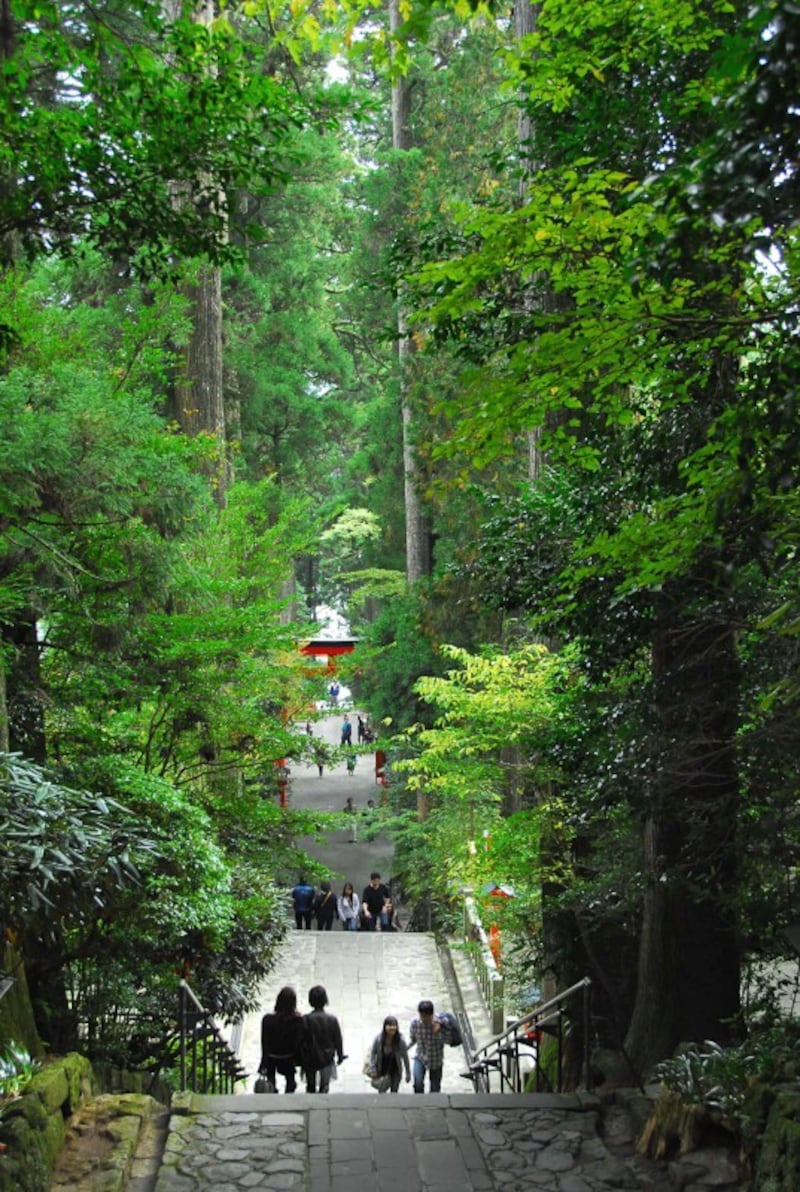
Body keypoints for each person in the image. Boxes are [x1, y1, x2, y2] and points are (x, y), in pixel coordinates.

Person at [260, 986, 306, 1093]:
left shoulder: (267, 1020)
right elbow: (299, 1042)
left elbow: (264, 1043)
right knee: (290, 1078)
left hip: (271, 1056)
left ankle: (272, 1093)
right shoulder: (298, 1021)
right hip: (288, 1056)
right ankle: (289, 1095)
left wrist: (263, 1062)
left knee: (270, 1077)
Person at [303, 985, 345, 1093]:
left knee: (310, 1084)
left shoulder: (306, 1019)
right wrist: (340, 1055)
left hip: (310, 1056)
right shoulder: (332, 1019)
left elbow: (301, 1039)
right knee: (325, 1084)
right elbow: (338, 1039)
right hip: (327, 1057)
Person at [409, 999, 448, 1093]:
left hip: (436, 1059)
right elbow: (413, 1039)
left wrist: (438, 1033)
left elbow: (448, 1040)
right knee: (417, 1083)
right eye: (421, 1016)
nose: (423, 1019)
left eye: (426, 1016)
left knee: (435, 1088)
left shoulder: (442, 1022)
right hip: (420, 1056)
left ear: (431, 1014)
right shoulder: (415, 1023)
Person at [368, 1015, 411, 1093]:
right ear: (385, 1027)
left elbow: (405, 1058)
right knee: (381, 1090)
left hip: (395, 1071)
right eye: (389, 1025)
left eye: (394, 1025)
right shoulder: (378, 1039)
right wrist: (373, 1068)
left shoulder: (400, 1041)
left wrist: (408, 1073)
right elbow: (373, 1053)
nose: (392, 1028)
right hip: (381, 1070)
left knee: (394, 1092)